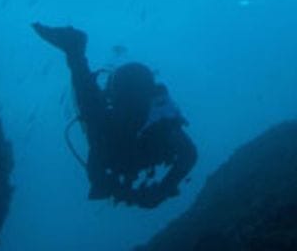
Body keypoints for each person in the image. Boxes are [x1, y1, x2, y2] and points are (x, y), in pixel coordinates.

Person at [32, 23, 197, 209]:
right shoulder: (161, 124)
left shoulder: (156, 126)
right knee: (95, 119)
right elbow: (189, 155)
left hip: (121, 141)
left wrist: (151, 192)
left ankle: (75, 51)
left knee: (94, 118)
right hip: (127, 143)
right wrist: (159, 191)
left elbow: (96, 162)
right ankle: (75, 52)